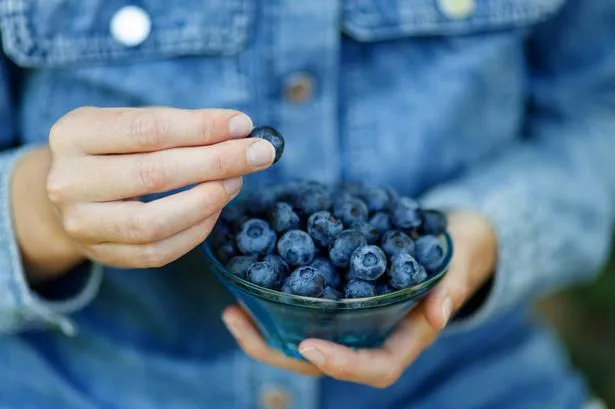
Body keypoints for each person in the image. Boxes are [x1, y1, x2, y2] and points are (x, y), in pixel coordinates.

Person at [0, 0, 613, 407]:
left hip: (468, 382)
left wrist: (485, 231)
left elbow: (594, 120)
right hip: (85, 383)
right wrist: (38, 212)